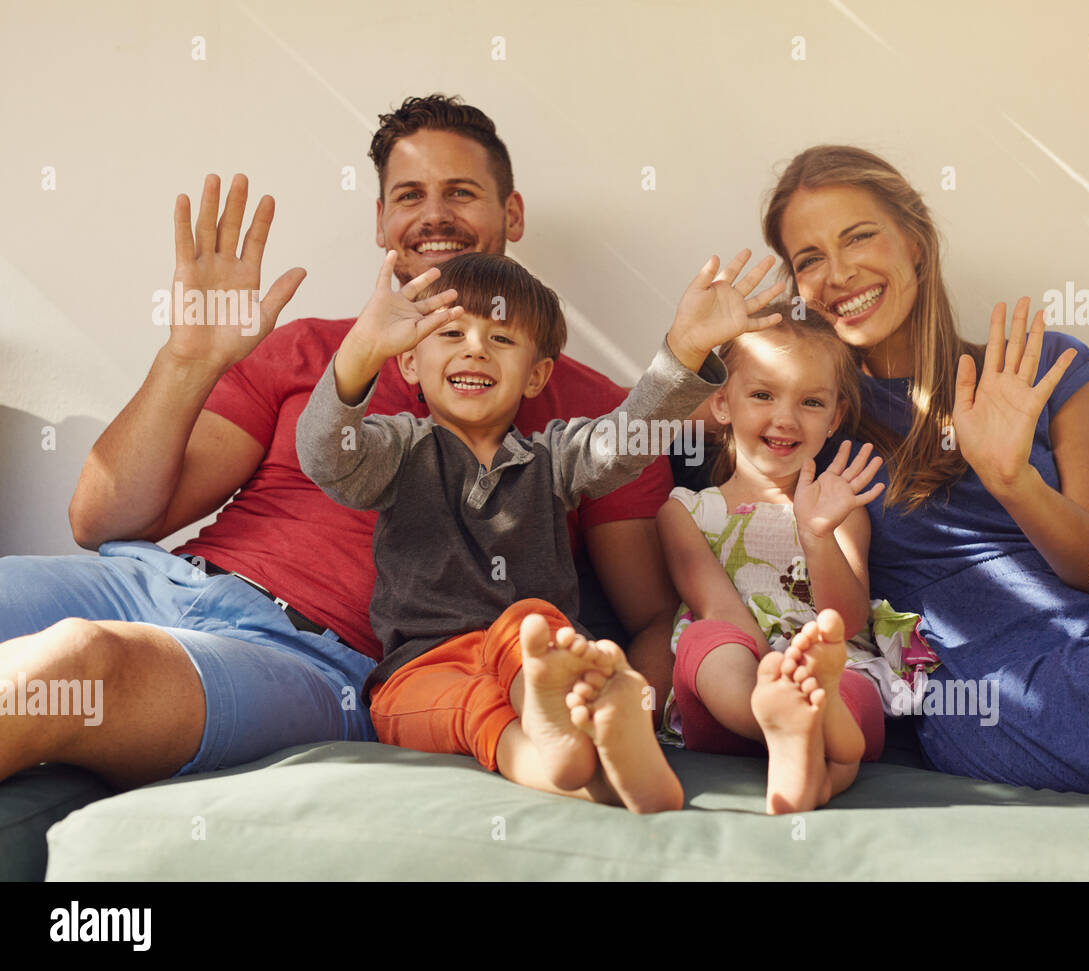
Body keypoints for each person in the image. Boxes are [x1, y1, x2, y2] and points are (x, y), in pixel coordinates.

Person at [0, 93, 679, 791]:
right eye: (409, 195)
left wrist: (630, 722)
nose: (433, 214)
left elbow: (653, 614)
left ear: (512, 214)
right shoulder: (313, 348)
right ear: (383, 222)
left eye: (461, 193)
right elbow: (100, 521)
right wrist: (189, 361)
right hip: (151, 580)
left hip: (307, 660)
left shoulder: (591, 410)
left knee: (77, 662)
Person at [761, 143, 1089, 807]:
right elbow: (687, 420)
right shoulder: (812, 416)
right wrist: (695, 348)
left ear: (916, 241)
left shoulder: (1040, 367)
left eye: (859, 236)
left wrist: (1017, 482)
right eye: (808, 259)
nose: (837, 272)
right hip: (1007, 687)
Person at [296, 248, 784, 812]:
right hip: (423, 667)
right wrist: (359, 352)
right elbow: (325, 456)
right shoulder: (396, 449)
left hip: (533, 650)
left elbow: (626, 441)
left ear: (537, 376)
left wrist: (686, 349)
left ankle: (579, 717)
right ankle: (563, 766)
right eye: (451, 333)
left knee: (530, 628)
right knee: (462, 707)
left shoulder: (552, 456)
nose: (476, 347)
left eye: (501, 339)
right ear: (408, 363)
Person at [657, 311, 902, 814]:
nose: (786, 419)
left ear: (834, 418)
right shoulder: (685, 511)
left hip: (826, 672)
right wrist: (774, 675)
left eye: (811, 402)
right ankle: (798, 730)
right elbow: (719, 608)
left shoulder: (841, 513)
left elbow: (848, 621)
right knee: (707, 640)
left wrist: (817, 536)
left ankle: (811, 757)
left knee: (845, 677)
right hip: (732, 701)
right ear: (722, 403)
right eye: (763, 395)